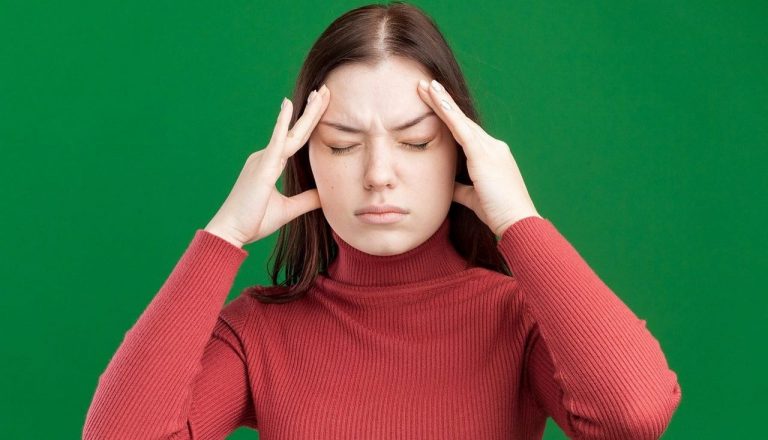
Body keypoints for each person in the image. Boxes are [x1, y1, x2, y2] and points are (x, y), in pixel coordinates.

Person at [83, 2, 682, 439]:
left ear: (462, 152)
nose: (378, 174)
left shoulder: (518, 318)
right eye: (342, 144)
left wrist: (520, 221)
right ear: (306, 160)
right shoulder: (258, 333)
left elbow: (633, 417)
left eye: (415, 142)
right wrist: (223, 237)